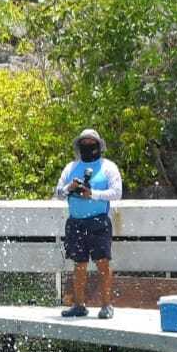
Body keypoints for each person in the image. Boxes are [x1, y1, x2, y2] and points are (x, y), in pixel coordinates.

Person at [55, 129, 123, 318]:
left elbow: (117, 192)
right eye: (84, 144)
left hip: (99, 222)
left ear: (99, 145)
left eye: (91, 143)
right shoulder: (70, 168)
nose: (88, 147)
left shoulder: (108, 167)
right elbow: (58, 193)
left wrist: (92, 194)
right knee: (79, 264)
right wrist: (71, 187)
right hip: (75, 223)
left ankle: (107, 305)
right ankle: (79, 305)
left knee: (103, 263)